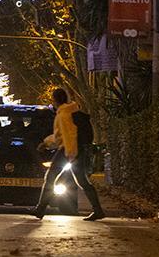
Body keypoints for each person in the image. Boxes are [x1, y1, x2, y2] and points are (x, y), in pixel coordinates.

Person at [32, 88, 105, 221]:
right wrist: (46, 143)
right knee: (82, 181)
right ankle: (98, 210)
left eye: (53, 99)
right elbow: (60, 135)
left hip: (68, 150)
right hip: (74, 150)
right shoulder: (69, 111)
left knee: (50, 176)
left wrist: (71, 153)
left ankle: (40, 208)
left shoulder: (64, 114)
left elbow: (68, 135)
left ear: (55, 100)